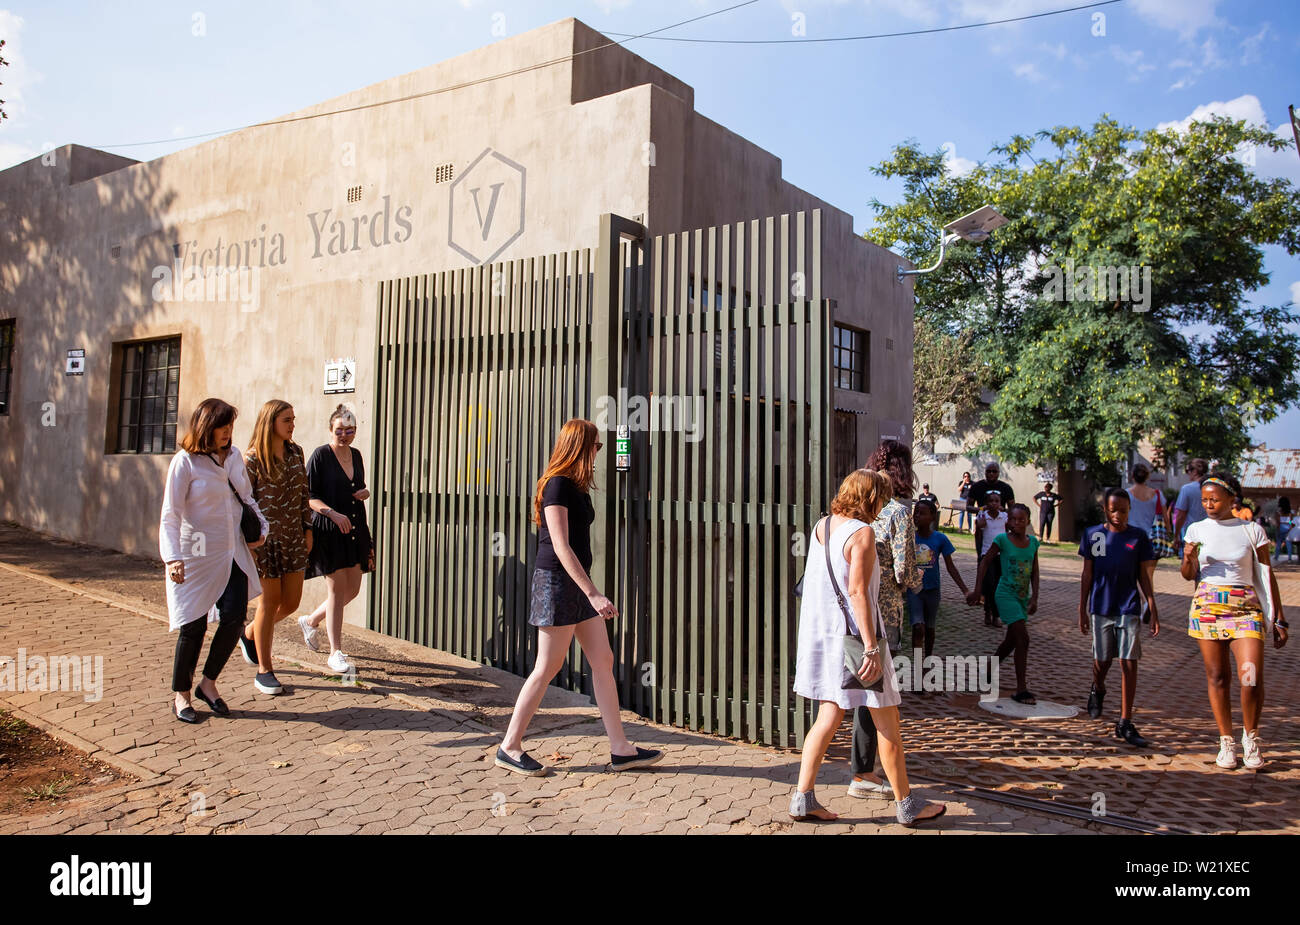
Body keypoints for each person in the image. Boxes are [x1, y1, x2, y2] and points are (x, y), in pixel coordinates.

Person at [497, 419, 661, 776]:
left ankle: (620, 748)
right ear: (579, 446)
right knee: (548, 666)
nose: (598, 453)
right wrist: (594, 593)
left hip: (577, 584)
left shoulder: (577, 487)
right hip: (556, 583)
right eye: (596, 447)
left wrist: (589, 590)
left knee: (602, 659)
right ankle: (509, 746)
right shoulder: (556, 486)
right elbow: (560, 545)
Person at [790, 468, 946, 825]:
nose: (886, 503)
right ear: (871, 498)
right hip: (857, 642)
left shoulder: (822, 526)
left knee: (828, 715)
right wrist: (873, 647)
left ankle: (803, 798)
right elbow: (858, 592)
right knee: (887, 718)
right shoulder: (862, 533)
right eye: (883, 496)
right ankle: (907, 805)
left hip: (826, 637)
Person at [160, 398, 268, 723]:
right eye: (222, 427)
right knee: (192, 625)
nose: (228, 433)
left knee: (234, 618)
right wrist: (172, 558)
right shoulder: (186, 462)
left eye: (231, 426)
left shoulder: (234, 457)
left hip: (231, 552)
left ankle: (208, 684)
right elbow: (170, 514)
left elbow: (247, 497)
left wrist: (261, 526)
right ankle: (181, 695)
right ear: (206, 426)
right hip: (194, 554)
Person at [1183, 473, 1288, 769]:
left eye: (1214, 499)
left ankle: (1251, 737)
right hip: (1208, 606)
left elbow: (1268, 576)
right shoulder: (1196, 529)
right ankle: (1226, 741)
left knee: (1250, 676)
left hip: (1246, 608)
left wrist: (1279, 617)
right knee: (1217, 677)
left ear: (1232, 499)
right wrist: (1189, 558)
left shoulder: (1251, 530)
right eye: (1204, 499)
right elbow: (1188, 575)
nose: (1208, 504)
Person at [845, 440, 922, 801]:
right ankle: (864, 774)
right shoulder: (898, 513)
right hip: (885, 612)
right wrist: (922, 573)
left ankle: (864, 770)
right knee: (877, 695)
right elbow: (906, 571)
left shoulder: (856, 512)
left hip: (855, 613)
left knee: (863, 691)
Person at [237, 400, 313, 695]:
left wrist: (308, 529)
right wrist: (250, 544)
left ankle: (249, 634)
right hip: (264, 543)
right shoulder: (252, 459)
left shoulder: (297, 452)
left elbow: (304, 493)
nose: (293, 424)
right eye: (287, 419)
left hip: (294, 538)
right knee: (268, 603)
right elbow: (244, 503)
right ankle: (264, 670)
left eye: (293, 419)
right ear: (271, 422)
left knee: (291, 603)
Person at [1078, 489, 1159, 747]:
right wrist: (1082, 607)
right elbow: (1087, 574)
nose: (1118, 515)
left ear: (1129, 510)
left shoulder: (1138, 537)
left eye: (1123, 510)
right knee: (1102, 660)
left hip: (1129, 607)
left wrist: (1151, 604)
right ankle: (1097, 687)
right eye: (1113, 510)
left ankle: (1125, 721)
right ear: (1105, 509)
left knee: (1128, 661)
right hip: (1101, 607)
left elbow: (1144, 576)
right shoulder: (1093, 535)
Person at [300, 405, 374, 675]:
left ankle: (311, 620)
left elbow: (358, 487)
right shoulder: (320, 455)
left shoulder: (355, 455)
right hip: (330, 529)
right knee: (336, 589)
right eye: (339, 430)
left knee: (352, 589)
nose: (344, 435)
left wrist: (364, 492)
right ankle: (335, 652)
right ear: (331, 429)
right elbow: (309, 496)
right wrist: (331, 513)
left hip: (355, 528)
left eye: (349, 430)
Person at [969, 502, 1039, 704]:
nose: (1017, 523)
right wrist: (978, 589)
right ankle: (1021, 689)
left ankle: (988, 669)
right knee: (1023, 640)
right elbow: (985, 562)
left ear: (1027, 522)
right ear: (1008, 522)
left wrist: (1034, 598)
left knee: (1011, 641)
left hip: (1021, 597)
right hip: (1005, 594)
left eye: (1021, 520)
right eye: (1013, 519)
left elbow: (1035, 572)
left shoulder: (1033, 543)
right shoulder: (1002, 540)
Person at [909, 499, 970, 658]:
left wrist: (965, 590)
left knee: (929, 628)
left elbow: (951, 567)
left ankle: (928, 661)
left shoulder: (940, 539)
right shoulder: (908, 538)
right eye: (916, 513)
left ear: (932, 517)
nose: (917, 516)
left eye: (922, 513)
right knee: (918, 627)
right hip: (915, 590)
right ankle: (917, 664)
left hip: (932, 589)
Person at [973, 492, 1008, 627]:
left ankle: (994, 613)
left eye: (997, 501)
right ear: (986, 503)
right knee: (990, 585)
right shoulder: (983, 517)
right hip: (987, 554)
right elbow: (979, 536)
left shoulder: (1004, 517)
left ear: (1000, 503)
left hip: (1001, 555)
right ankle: (990, 613)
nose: (994, 503)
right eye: (991, 501)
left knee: (998, 586)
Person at [1172, 457, 1209, 549]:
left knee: (1189, 561)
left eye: (1188, 470)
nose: (1187, 473)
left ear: (1195, 471)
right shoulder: (1213, 487)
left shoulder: (1187, 489)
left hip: (1192, 535)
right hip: (1210, 533)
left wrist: (1176, 535)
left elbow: (1181, 515)